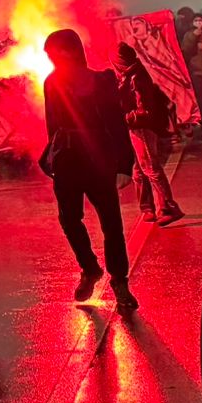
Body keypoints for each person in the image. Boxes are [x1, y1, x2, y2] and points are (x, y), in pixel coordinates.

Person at [41, 30, 139, 313]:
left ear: (69, 51)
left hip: (97, 158)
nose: (51, 59)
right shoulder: (51, 83)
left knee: (111, 223)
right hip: (67, 160)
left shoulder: (101, 80)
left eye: (53, 53)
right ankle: (90, 268)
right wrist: (53, 158)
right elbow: (53, 125)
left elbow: (116, 123)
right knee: (69, 219)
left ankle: (119, 282)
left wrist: (123, 165)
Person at [115, 43, 183, 225]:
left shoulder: (136, 77)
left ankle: (169, 207)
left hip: (142, 128)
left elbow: (144, 111)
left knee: (151, 169)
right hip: (135, 128)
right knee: (138, 171)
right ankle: (147, 209)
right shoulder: (128, 75)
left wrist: (124, 118)